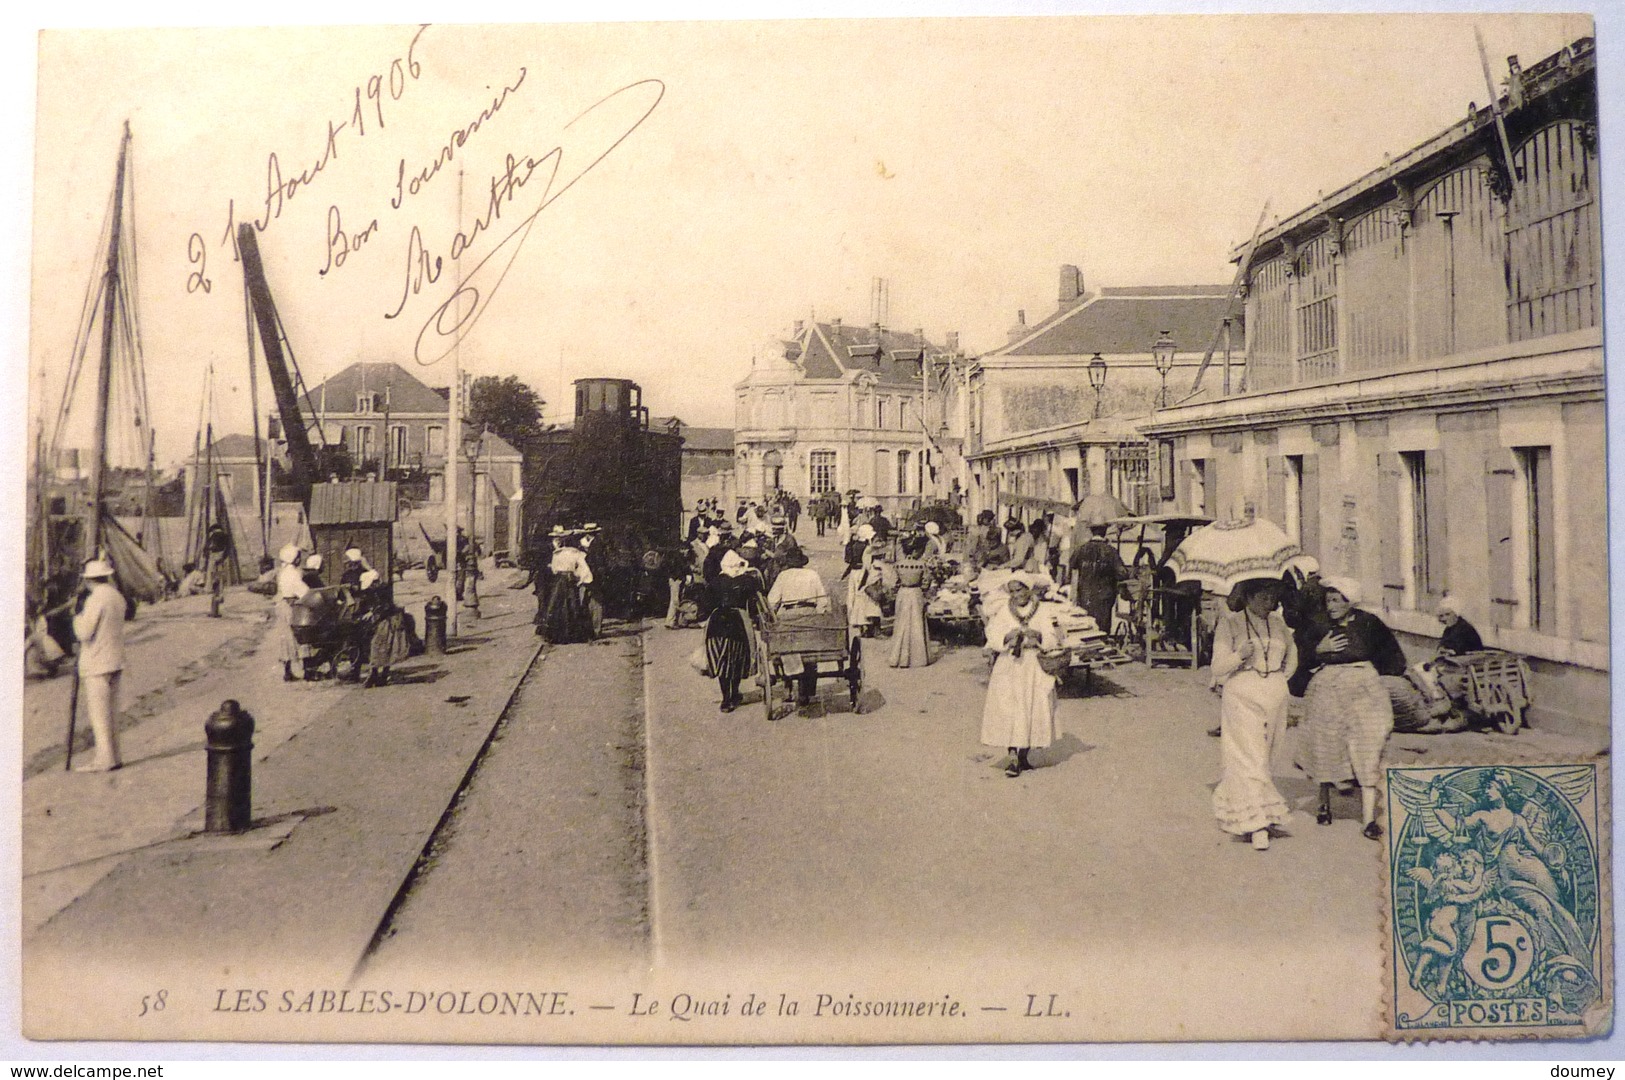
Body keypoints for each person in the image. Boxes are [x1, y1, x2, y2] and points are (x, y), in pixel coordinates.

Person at [1300, 576, 1395, 839]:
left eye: (1336, 600)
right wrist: (1319, 649)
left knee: (1368, 745)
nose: (1330, 605)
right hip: (1328, 689)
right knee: (1326, 745)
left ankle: (1368, 820)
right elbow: (1299, 661)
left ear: (1349, 601)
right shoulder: (1318, 624)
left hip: (1364, 689)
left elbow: (1392, 655)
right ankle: (1323, 803)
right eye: (1328, 600)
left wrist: (1379, 676)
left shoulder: (1368, 623)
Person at [1209, 579, 1298, 850]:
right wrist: (1239, 655)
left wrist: (1283, 678)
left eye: (1271, 596)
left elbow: (1292, 652)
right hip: (1242, 694)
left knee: (1268, 754)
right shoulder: (1231, 623)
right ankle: (1256, 823)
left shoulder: (1278, 623)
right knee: (1251, 757)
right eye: (1261, 596)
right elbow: (1218, 667)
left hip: (1274, 694)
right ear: (1247, 597)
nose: (1267, 602)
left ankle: (1254, 809)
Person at [980, 574, 1061, 778]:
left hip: (1032, 665)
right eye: (1013, 591)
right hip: (1010, 666)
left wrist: (1038, 636)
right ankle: (1013, 756)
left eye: (1021, 590)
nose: (1018, 595)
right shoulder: (1004, 611)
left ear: (1029, 589)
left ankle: (1024, 753)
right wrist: (1007, 637)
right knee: (1011, 708)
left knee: (1031, 706)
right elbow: (992, 634)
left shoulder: (1041, 610)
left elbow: (1052, 637)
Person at [70, 558, 126, 772]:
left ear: (88, 581)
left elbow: (84, 632)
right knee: (112, 713)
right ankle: (115, 756)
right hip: (115, 659)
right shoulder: (117, 596)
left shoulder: (95, 599)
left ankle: (104, 759)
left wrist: (76, 617)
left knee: (99, 715)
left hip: (96, 662)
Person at [705, 549, 762, 713]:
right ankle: (734, 693)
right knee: (736, 659)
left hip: (717, 625)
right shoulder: (747, 581)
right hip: (738, 624)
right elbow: (753, 603)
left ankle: (726, 698)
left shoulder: (715, 582)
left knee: (721, 660)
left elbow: (707, 606)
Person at [1069, 524, 1127, 636]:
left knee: (1085, 629)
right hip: (1104, 598)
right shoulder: (1110, 551)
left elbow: (1071, 567)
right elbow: (1122, 573)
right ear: (1105, 532)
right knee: (1102, 631)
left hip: (1085, 597)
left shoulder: (1081, 549)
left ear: (1092, 532)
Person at [540, 530, 594, 645]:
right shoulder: (577, 553)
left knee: (556, 605)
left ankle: (555, 635)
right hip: (570, 581)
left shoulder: (557, 553)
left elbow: (554, 569)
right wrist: (581, 580)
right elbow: (584, 569)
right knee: (573, 605)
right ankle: (572, 634)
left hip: (559, 580)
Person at [888, 533, 932, 668]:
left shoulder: (898, 565)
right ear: (914, 550)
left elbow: (894, 582)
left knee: (901, 623)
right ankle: (917, 658)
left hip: (903, 593)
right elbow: (926, 582)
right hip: (916, 593)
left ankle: (899, 658)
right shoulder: (921, 565)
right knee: (916, 624)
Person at [273, 544, 309, 682]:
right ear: (294, 558)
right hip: (291, 605)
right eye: (298, 557)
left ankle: (287, 671)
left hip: (282, 605)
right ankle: (306, 670)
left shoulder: (283, 572)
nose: (300, 559)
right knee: (299, 635)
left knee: (285, 637)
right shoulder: (293, 573)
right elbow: (303, 591)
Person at [843, 523, 883, 638]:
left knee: (854, 597)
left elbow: (847, 559)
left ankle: (858, 624)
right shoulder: (867, 548)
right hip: (863, 572)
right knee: (867, 598)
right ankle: (871, 626)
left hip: (853, 572)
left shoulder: (853, 545)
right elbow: (868, 564)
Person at [579, 523, 606, 636]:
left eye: (591, 532)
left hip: (595, 576)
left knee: (596, 602)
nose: (589, 534)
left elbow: (602, 561)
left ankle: (596, 629)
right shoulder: (580, 543)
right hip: (582, 575)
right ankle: (587, 629)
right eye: (588, 532)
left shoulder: (599, 543)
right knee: (583, 602)